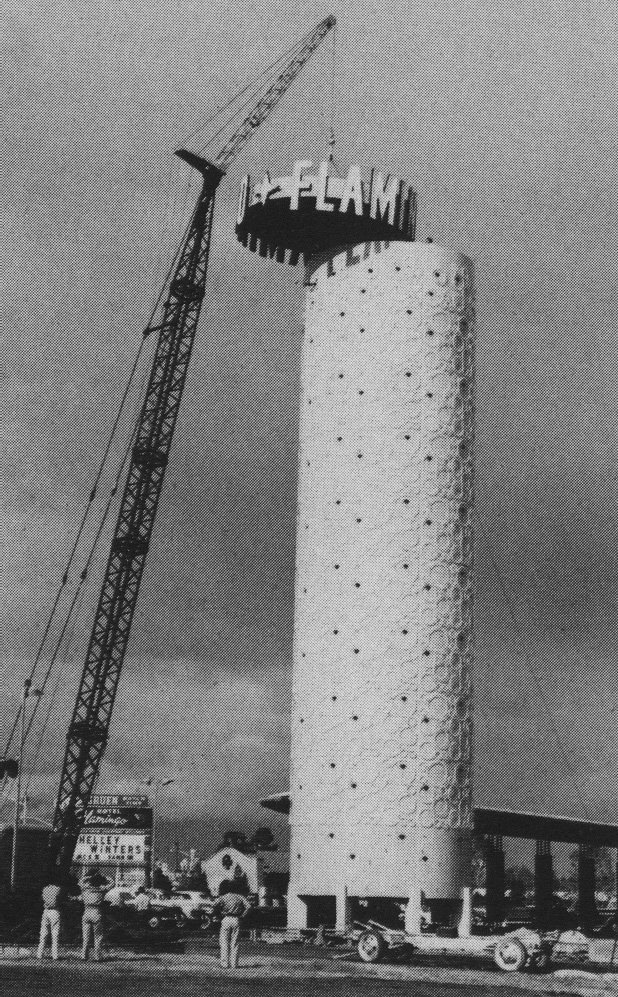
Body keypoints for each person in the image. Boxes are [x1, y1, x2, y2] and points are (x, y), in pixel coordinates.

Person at [212, 879, 252, 969]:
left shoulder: (223, 897)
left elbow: (214, 905)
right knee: (235, 942)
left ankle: (224, 964)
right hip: (237, 919)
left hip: (226, 918)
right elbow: (249, 907)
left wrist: (220, 912)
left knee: (224, 941)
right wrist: (242, 915)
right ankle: (234, 964)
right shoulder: (240, 897)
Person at [79, 867, 110, 961]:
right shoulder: (101, 889)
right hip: (97, 912)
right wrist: (103, 877)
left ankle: (84, 956)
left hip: (86, 912)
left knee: (86, 937)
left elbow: (80, 881)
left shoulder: (85, 889)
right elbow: (112, 883)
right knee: (98, 937)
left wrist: (89, 876)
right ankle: (98, 957)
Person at [37, 878, 63, 961]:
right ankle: (55, 956)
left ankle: (39, 954)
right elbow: (60, 899)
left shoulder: (45, 889)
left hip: (46, 911)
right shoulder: (58, 889)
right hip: (55, 911)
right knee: (55, 934)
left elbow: (41, 898)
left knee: (43, 933)